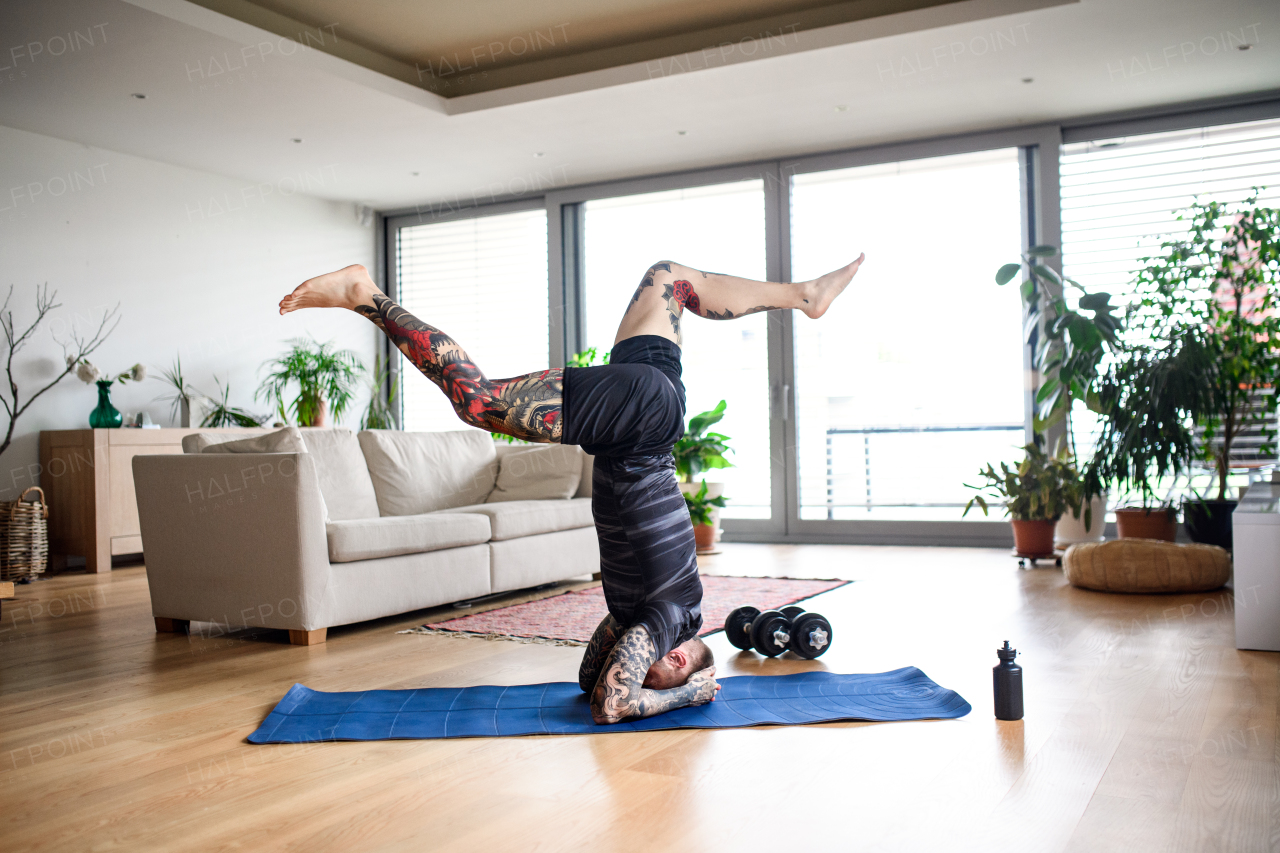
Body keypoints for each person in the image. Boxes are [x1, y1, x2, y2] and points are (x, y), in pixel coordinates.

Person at [279, 253, 863, 724]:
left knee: (671, 279)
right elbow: (613, 704)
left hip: (649, 412)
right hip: (639, 422)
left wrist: (650, 678)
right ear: (680, 657)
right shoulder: (669, 618)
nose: (634, 674)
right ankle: (366, 295)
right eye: (656, 674)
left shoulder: (632, 618)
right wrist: (686, 695)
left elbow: (592, 681)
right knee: (479, 402)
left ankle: (801, 296)